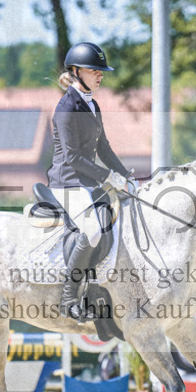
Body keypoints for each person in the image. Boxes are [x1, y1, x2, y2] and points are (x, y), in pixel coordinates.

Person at [46, 42, 134, 322]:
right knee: (94, 230)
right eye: (95, 70)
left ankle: (98, 290)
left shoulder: (92, 104)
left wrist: (128, 177)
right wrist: (109, 177)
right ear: (76, 71)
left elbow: (104, 149)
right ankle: (69, 298)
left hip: (87, 183)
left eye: (101, 71)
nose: (100, 75)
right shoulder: (66, 108)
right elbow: (72, 158)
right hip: (67, 183)